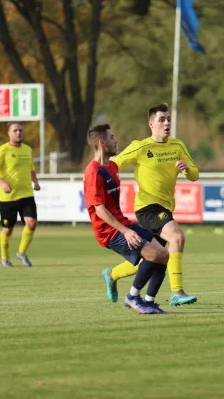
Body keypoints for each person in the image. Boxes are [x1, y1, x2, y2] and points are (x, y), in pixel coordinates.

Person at [100, 103, 200, 307]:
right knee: (177, 237)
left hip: (165, 207)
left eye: (168, 119)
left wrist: (187, 169)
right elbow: (113, 164)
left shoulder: (177, 146)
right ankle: (176, 292)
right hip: (147, 208)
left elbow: (195, 174)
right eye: (162, 119)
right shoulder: (141, 146)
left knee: (153, 258)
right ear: (151, 124)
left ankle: (112, 274)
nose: (167, 123)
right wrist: (98, 180)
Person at [83, 124, 169, 315]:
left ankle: (149, 301)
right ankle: (133, 297)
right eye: (112, 137)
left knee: (163, 254)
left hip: (123, 223)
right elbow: (100, 210)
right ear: (101, 142)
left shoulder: (112, 166)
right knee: (153, 255)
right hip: (109, 231)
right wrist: (125, 231)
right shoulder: (93, 172)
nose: (116, 141)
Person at [0, 122, 40, 268]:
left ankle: (21, 253)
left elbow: (31, 168)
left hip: (26, 194)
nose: (18, 133)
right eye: (15, 130)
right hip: (8, 197)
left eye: (20, 130)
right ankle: (4, 258)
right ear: (9, 133)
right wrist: (2, 183)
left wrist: (35, 182)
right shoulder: (2, 150)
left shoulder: (27, 150)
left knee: (32, 223)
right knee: (8, 229)